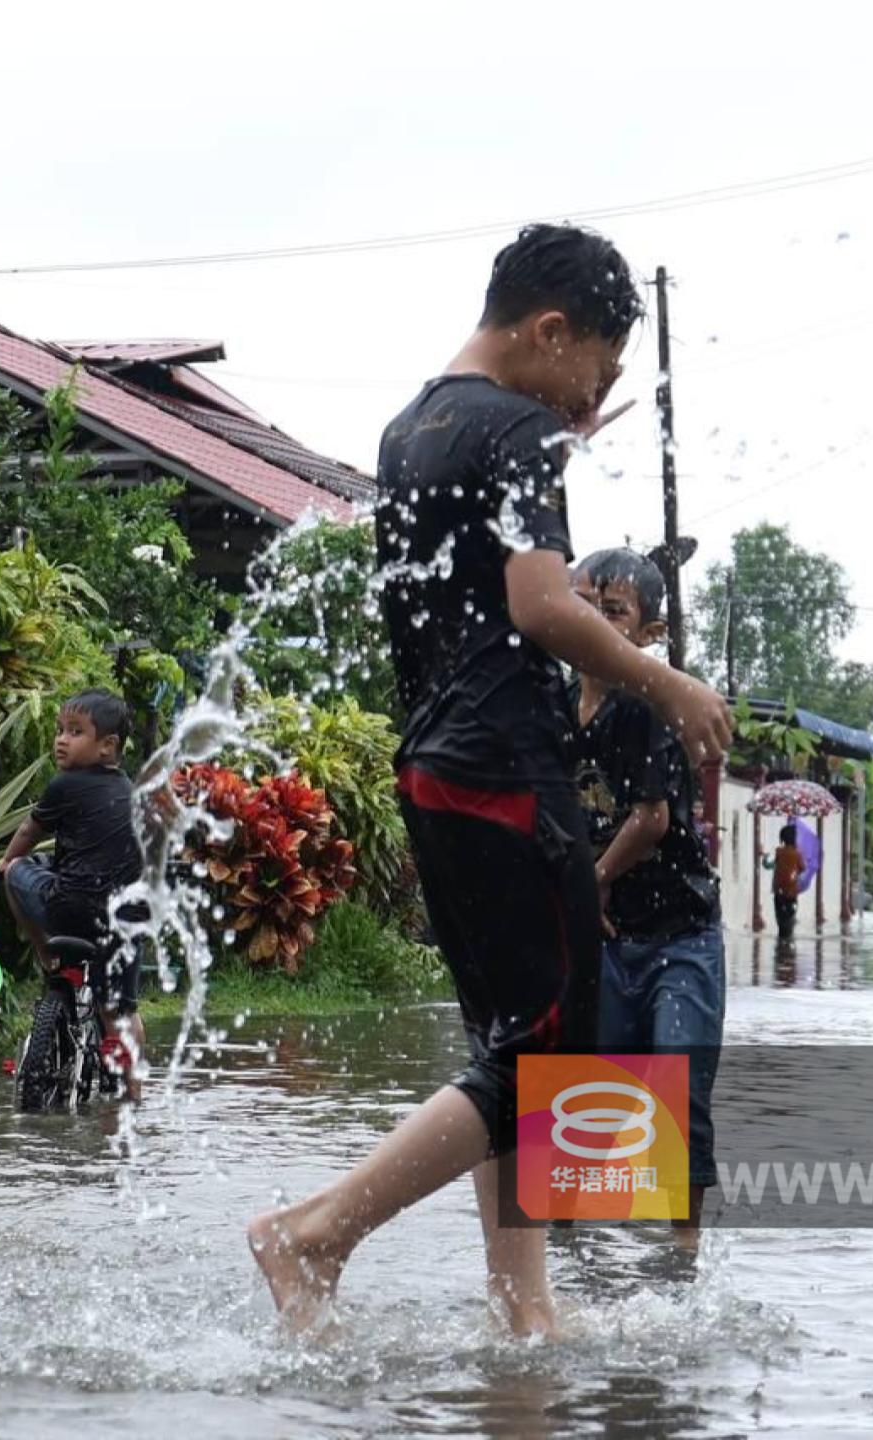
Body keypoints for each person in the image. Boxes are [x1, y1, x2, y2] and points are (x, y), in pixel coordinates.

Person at [245, 223, 734, 1338]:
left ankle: (525, 1306)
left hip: (434, 763)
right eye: (597, 373)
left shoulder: (412, 423)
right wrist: (670, 685)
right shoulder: (518, 430)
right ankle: (314, 1234)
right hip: (504, 770)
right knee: (554, 1052)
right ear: (550, 330)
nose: (589, 400)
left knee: (511, 1043)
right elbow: (541, 605)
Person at [567, 547, 726, 1245]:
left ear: (650, 633)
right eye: (581, 605)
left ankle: (682, 1257)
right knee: (583, 1096)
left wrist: (590, 880)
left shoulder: (650, 706)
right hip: (603, 935)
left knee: (675, 1088)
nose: (593, 623)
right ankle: (567, 1259)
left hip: (679, 932)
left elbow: (652, 819)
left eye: (613, 612)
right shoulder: (550, 708)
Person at [0, 688, 149, 1101]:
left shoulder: (64, 785)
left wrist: (6, 862)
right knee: (121, 1011)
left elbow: (29, 831)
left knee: (17, 872)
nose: (61, 739)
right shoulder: (135, 796)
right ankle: (133, 1095)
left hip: (69, 910)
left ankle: (46, 952)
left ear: (107, 746)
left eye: (75, 732)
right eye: (60, 730)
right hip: (124, 919)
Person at [771, 824, 804, 942]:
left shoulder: (778, 852)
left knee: (780, 918)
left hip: (778, 891)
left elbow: (771, 864)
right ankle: (788, 942)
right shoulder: (797, 854)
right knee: (790, 917)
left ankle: (782, 940)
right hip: (791, 892)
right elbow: (802, 868)